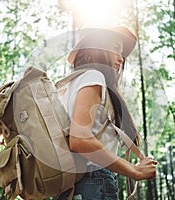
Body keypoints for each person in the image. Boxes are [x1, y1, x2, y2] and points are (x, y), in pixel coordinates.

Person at [58, 26, 158, 200]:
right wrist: (134, 170)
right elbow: (80, 139)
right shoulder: (93, 77)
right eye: (115, 48)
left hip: (72, 184)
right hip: (94, 182)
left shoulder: (70, 85)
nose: (121, 58)